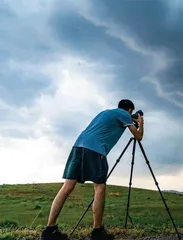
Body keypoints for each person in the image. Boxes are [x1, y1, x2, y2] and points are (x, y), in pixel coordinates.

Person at [41, 99, 144, 240]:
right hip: (96, 149)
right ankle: (97, 232)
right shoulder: (124, 114)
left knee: (67, 186)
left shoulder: (105, 112)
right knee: (99, 188)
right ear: (130, 110)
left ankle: (49, 230)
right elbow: (138, 136)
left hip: (78, 146)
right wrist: (140, 122)